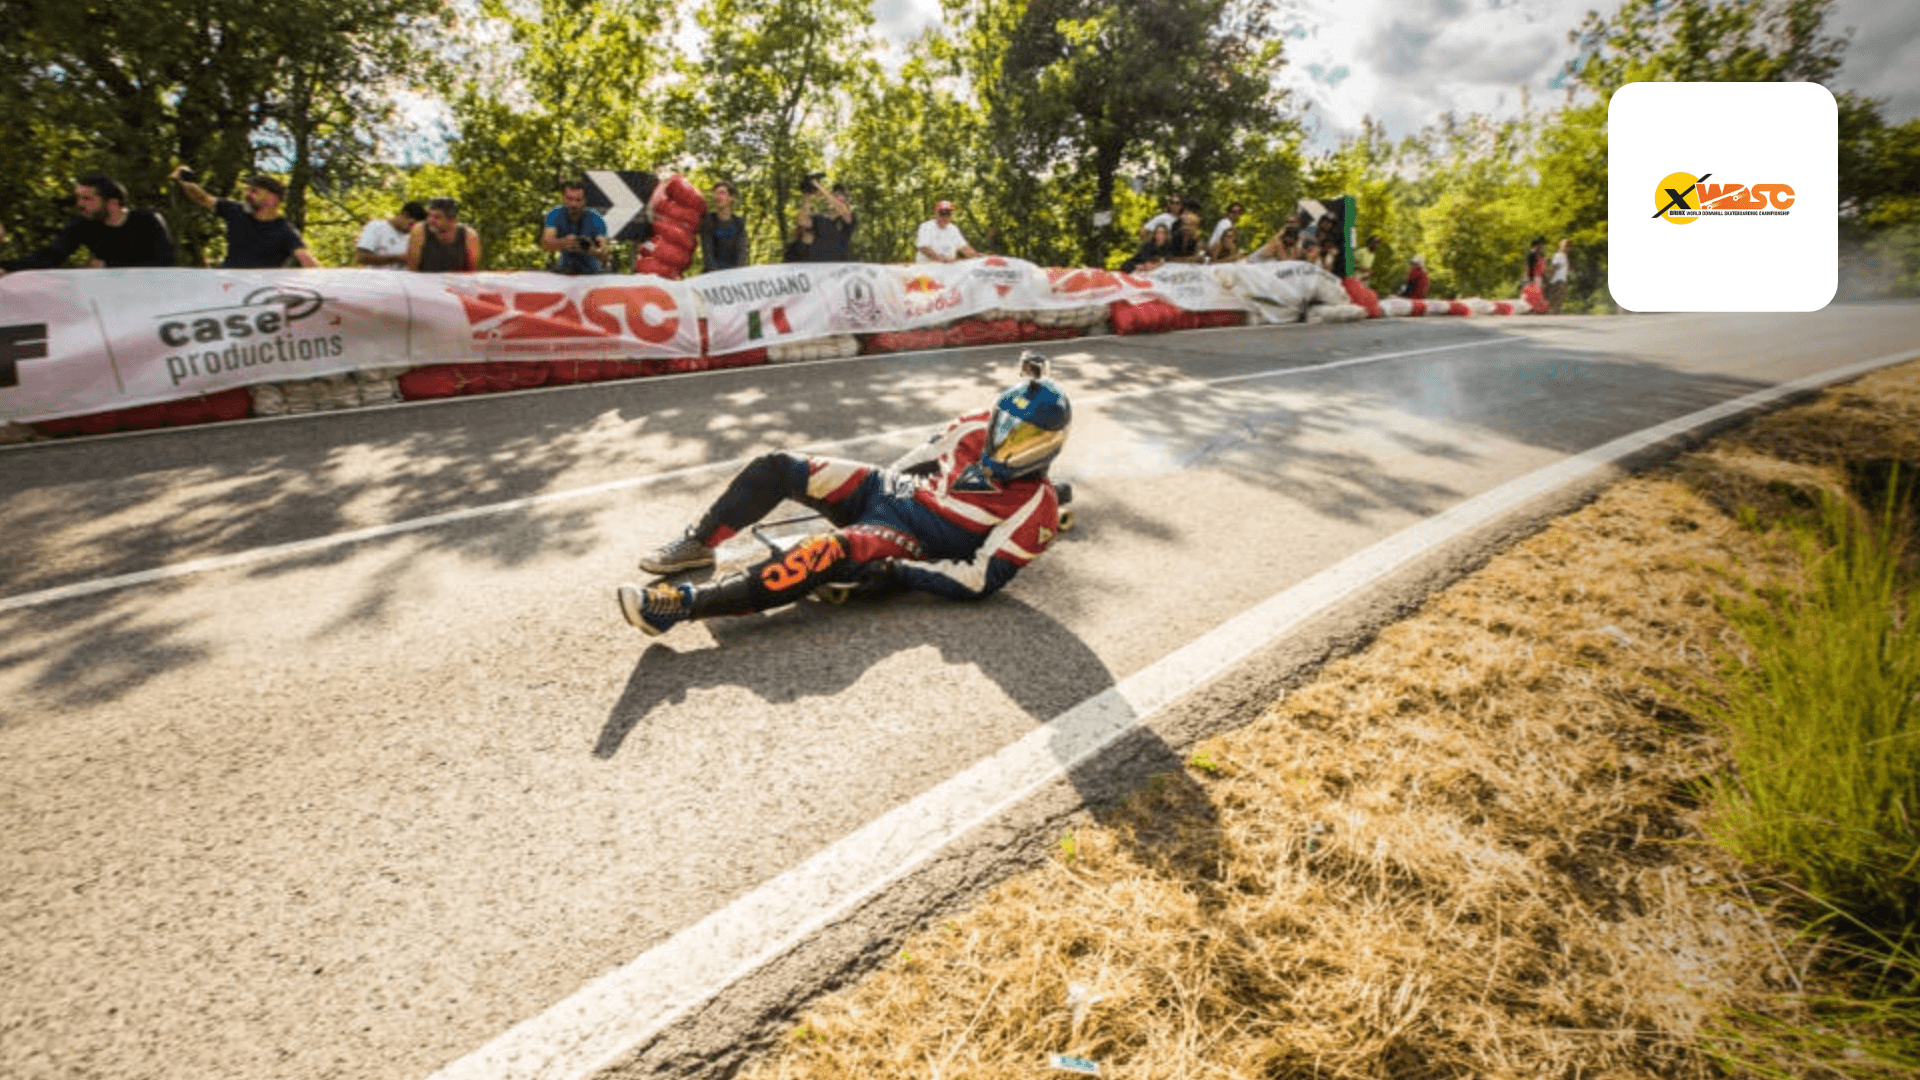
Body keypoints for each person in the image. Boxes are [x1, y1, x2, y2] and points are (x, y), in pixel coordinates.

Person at [619, 352, 1072, 636]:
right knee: (779, 466)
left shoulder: (1039, 508)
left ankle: (679, 607)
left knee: (821, 550)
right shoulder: (974, 424)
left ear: (1050, 445)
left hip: (912, 539)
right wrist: (868, 489)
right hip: (892, 491)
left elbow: (979, 579)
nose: (1005, 442)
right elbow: (919, 458)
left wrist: (899, 572)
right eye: (1004, 427)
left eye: (1024, 439)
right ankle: (698, 543)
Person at [0, 175, 176, 275]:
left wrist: (107, 266)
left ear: (112, 203)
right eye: (78, 198)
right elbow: (52, 255)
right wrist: (7, 267)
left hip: (151, 296)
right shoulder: (83, 224)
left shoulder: (146, 220)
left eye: (87, 198)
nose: (80, 204)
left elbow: (165, 262)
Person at [170, 168, 320, 269]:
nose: (248, 195)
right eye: (248, 190)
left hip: (258, 295)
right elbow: (203, 198)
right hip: (226, 286)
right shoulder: (236, 211)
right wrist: (184, 181)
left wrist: (329, 284)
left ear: (273, 198)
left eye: (254, 191)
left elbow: (307, 260)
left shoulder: (285, 230)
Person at [541, 180, 609, 274]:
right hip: (564, 269)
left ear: (585, 200)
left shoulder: (596, 217)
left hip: (592, 272)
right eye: (569, 199)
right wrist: (565, 242)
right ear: (563, 198)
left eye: (578, 200)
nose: (573, 204)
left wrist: (588, 249)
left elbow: (605, 254)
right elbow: (545, 244)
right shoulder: (555, 214)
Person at [407, 197, 481, 272]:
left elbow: (472, 271)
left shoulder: (469, 235)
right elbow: (412, 269)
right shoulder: (420, 231)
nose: (431, 220)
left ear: (452, 220)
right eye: (429, 215)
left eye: (437, 217)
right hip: (425, 278)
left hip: (457, 278)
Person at [354, 201, 427, 269]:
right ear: (404, 215)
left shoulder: (410, 237)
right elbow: (361, 257)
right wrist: (396, 259)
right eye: (411, 224)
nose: (411, 229)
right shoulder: (376, 227)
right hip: (375, 277)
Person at [699, 181, 749, 273]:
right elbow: (708, 256)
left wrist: (737, 274)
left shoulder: (739, 223)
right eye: (716, 193)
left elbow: (742, 255)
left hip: (735, 275)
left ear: (731, 198)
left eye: (722, 193)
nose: (718, 196)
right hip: (712, 275)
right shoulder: (708, 221)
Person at [805, 182, 856, 263]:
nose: (832, 197)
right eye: (833, 194)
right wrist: (808, 194)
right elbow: (803, 223)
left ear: (846, 200)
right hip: (816, 266)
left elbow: (842, 208)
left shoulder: (848, 218)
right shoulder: (817, 218)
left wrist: (818, 185)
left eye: (837, 195)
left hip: (839, 267)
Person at [1547, 237, 1571, 313]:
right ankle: (1553, 314)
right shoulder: (1558, 255)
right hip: (1557, 280)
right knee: (1556, 299)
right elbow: (1553, 268)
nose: (1569, 248)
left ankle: (1555, 314)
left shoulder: (1564, 256)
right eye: (1568, 246)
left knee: (1559, 300)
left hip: (1562, 280)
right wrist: (1551, 280)